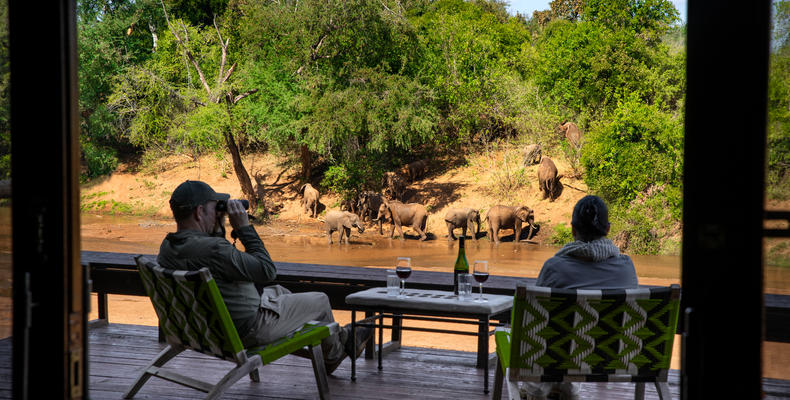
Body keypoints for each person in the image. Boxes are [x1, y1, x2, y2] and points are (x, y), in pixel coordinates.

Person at [156, 180, 371, 374]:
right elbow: (268, 270)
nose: (220, 211)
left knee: (281, 292)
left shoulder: (168, 247)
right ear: (199, 212)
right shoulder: (214, 250)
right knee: (321, 301)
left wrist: (217, 226)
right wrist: (244, 228)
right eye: (216, 207)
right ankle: (335, 355)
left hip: (207, 330)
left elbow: (212, 253)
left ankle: (343, 339)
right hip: (250, 329)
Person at [523, 195, 638, 400]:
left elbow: (533, 320)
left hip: (559, 359)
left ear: (573, 230)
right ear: (608, 230)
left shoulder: (554, 267)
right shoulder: (627, 268)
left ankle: (555, 389)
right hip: (617, 359)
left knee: (555, 340)